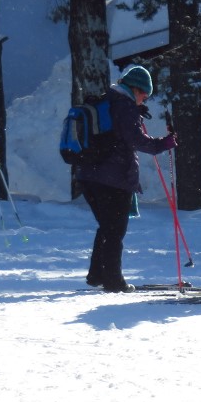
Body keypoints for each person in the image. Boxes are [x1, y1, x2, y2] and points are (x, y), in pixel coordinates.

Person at [73, 65, 177, 289]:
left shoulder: (106, 101)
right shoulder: (124, 106)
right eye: (144, 94)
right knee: (115, 230)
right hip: (112, 178)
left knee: (106, 226)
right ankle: (113, 280)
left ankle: (97, 275)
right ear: (135, 89)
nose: (144, 99)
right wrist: (164, 143)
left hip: (89, 174)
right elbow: (137, 141)